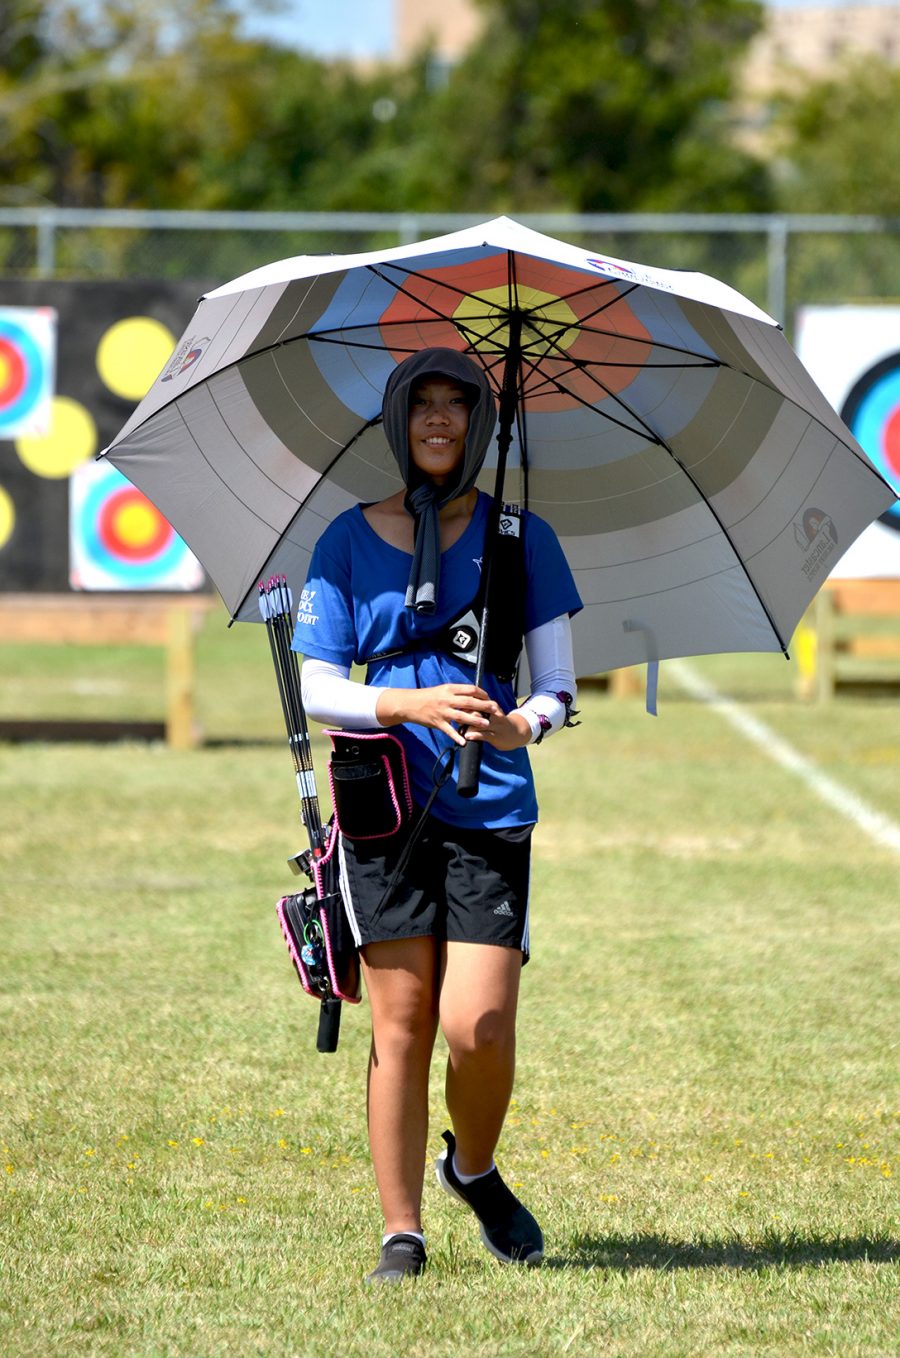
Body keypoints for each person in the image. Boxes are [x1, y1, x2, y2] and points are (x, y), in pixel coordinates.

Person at [294, 347, 582, 1283]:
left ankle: (474, 1166)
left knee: (479, 1026)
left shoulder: (521, 537)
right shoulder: (344, 538)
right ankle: (401, 1232)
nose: (440, 419)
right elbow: (319, 688)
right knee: (402, 1023)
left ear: (480, 426)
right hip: (382, 805)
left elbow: (561, 688)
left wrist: (517, 725)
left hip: (489, 802)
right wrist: (407, 706)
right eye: (423, 403)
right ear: (397, 418)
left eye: (459, 405)